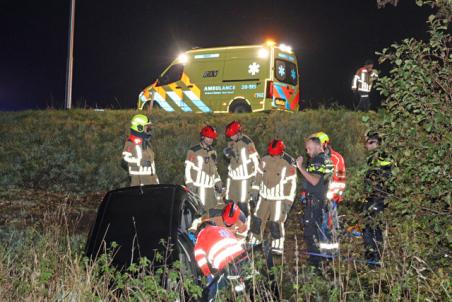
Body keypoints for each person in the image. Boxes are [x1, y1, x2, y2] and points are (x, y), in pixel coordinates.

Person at [248, 139, 297, 256]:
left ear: (281, 152)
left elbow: (292, 184)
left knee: (276, 223)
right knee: (257, 220)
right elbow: (258, 175)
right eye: (271, 154)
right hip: (264, 197)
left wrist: (289, 201)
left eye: (275, 154)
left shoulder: (289, 163)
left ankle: (277, 246)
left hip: (279, 199)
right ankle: (254, 242)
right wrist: (255, 190)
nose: (273, 156)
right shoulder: (265, 159)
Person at [296, 136, 333, 266]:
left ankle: (316, 263)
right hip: (320, 200)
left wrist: (300, 167)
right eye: (306, 149)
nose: (307, 151)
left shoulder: (318, 160)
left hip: (315, 202)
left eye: (309, 148)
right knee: (319, 231)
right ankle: (323, 260)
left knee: (311, 233)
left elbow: (314, 180)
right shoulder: (326, 159)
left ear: (318, 146)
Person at [193, 222, 248, 301]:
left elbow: (200, 259)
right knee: (242, 289)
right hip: (243, 258)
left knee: (218, 294)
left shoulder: (201, 234)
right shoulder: (223, 229)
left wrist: (208, 273)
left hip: (226, 264)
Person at [310, 132, 346, 251]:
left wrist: (333, 197)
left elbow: (340, 180)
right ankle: (321, 253)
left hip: (330, 199)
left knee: (330, 225)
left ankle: (332, 254)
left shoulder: (336, 158)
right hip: (317, 198)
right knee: (318, 225)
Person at [363, 131, 393, 264]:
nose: (367, 146)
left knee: (375, 229)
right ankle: (371, 257)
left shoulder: (384, 158)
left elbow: (386, 179)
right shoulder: (372, 159)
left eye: (371, 142)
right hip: (370, 198)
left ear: (379, 144)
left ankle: (375, 259)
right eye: (367, 142)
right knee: (368, 228)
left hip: (378, 199)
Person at [223, 121, 260, 217]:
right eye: (230, 136)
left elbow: (256, 161)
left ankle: (245, 225)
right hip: (232, 178)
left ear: (238, 132)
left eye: (233, 135)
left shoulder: (247, 143)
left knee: (243, 203)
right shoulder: (231, 142)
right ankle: (232, 226)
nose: (231, 137)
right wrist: (228, 154)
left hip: (245, 178)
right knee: (230, 203)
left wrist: (256, 182)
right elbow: (234, 159)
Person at [185, 125, 223, 215]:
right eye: (208, 137)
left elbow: (214, 170)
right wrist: (189, 184)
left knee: (211, 213)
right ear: (202, 137)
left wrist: (218, 181)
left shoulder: (213, 152)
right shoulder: (193, 151)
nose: (211, 140)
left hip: (210, 189)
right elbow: (187, 169)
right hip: (199, 188)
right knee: (200, 214)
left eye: (212, 138)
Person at [122, 114, 159, 186]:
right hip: (138, 180)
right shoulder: (131, 142)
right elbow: (125, 159)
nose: (149, 130)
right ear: (139, 128)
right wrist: (139, 161)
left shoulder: (146, 143)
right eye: (147, 127)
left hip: (150, 179)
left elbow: (151, 162)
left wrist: (156, 179)